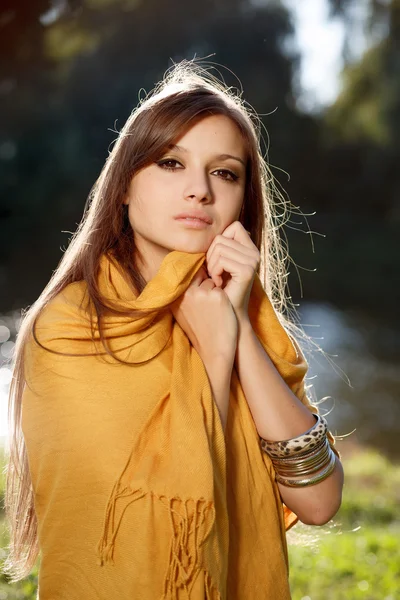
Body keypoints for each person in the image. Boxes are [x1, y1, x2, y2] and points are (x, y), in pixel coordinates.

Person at [5, 60, 344, 599]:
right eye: (170, 163)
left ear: (242, 201)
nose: (199, 191)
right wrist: (213, 353)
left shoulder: (246, 312)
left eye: (224, 172)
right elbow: (142, 522)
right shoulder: (67, 328)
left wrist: (237, 333)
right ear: (123, 186)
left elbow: (319, 502)